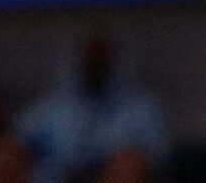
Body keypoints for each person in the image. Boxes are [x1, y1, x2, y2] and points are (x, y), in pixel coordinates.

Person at [15, 37, 169, 183]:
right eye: (90, 59)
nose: (95, 66)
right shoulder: (42, 113)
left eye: (101, 59)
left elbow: (156, 160)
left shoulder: (144, 110)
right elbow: (19, 159)